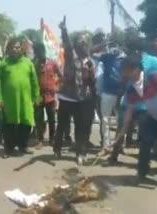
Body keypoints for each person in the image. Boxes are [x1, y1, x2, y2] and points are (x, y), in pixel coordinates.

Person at [53, 16, 96, 165]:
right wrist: (64, 30)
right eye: (81, 43)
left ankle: (81, 152)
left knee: (81, 128)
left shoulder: (90, 62)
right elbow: (67, 45)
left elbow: (92, 82)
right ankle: (57, 148)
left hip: (83, 99)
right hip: (67, 98)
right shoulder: (71, 57)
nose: (83, 45)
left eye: (85, 43)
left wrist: (94, 98)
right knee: (62, 125)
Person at [0, 37, 40, 158]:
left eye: (18, 47)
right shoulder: (3, 64)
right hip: (10, 101)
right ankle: (8, 149)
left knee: (26, 124)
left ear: (22, 49)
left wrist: (36, 96)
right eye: (13, 47)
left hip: (25, 99)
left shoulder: (28, 63)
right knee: (9, 125)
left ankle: (23, 146)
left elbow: (34, 81)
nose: (16, 49)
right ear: (9, 49)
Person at [33, 43, 61, 146]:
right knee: (38, 120)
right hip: (38, 97)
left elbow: (61, 76)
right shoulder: (33, 65)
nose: (40, 54)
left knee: (52, 119)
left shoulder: (52, 64)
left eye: (41, 52)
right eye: (38, 52)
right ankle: (40, 140)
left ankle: (52, 139)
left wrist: (57, 87)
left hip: (50, 97)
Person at [99, 48, 125, 155]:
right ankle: (106, 146)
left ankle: (120, 146)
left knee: (121, 121)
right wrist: (104, 45)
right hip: (107, 93)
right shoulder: (107, 57)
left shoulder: (125, 59)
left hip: (121, 94)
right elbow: (91, 52)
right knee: (105, 120)